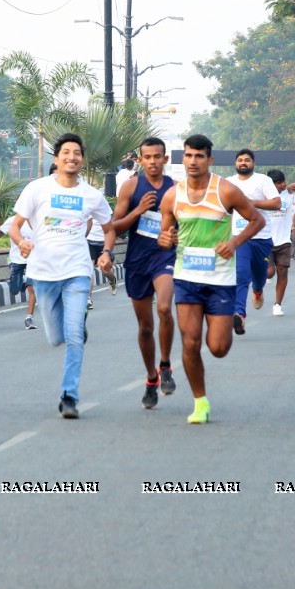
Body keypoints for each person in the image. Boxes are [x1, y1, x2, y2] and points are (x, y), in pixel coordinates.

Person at [157, 134, 264, 424]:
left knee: (217, 348)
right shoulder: (172, 196)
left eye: (199, 156)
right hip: (186, 278)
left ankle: (223, 321)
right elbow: (164, 238)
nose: (193, 161)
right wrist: (166, 238)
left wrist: (235, 242)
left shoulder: (225, 191)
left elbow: (257, 220)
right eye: (188, 156)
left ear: (210, 160)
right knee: (190, 343)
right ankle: (200, 402)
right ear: (183, 159)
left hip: (220, 279)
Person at [9, 133, 114, 420]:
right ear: (56, 159)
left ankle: (69, 395)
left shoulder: (91, 194)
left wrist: (107, 253)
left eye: (77, 153)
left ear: (82, 159)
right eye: (66, 152)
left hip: (77, 271)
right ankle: (76, 324)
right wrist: (22, 243)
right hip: (43, 273)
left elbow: (110, 226)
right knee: (56, 338)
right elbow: (15, 227)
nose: (72, 157)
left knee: (74, 336)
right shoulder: (37, 188)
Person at [110, 137, 178, 409]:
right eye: (147, 157)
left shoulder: (176, 188)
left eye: (157, 156)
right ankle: (151, 378)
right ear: (140, 160)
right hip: (137, 261)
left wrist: (174, 236)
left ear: (165, 159)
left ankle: (165, 366)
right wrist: (138, 210)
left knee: (164, 308)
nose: (152, 161)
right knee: (145, 326)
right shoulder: (131, 186)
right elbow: (115, 226)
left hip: (164, 257)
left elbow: (186, 225)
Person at [228, 149, 281, 334]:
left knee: (261, 276)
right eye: (240, 160)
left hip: (261, 237)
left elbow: (276, 203)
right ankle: (239, 314)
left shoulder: (263, 181)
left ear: (253, 163)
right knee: (241, 275)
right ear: (235, 163)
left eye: (247, 160)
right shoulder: (229, 183)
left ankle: (258, 290)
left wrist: (250, 202)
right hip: (240, 237)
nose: (243, 163)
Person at [265, 170, 295, 316]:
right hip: (266, 241)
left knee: (282, 273)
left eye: (283, 181)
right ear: (271, 184)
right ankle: (261, 283)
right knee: (269, 273)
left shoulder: (289, 196)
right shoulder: (264, 196)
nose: (283, 184)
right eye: (279, 183)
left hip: (284, 242)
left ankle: (277, 304)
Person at [0, 214, 36, 329]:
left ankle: (29, 317)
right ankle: (23, 281)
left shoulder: (39, 220)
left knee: (32, 289)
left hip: (33, 260)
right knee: (15, 290)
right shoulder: (13, 221)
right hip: (16, 259)